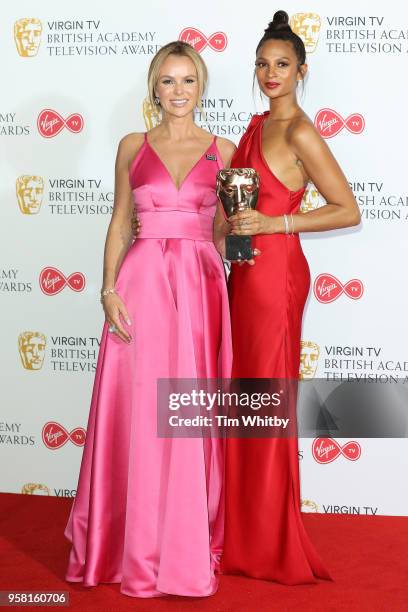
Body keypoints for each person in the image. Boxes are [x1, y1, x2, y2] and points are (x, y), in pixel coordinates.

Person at [64, 41, 235, 598]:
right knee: (138, 410)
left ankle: (184, 543)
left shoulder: (225, 151)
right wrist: (107, 289)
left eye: (188, 80)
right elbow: (119, 222)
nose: (178, 91)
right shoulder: (131, 146)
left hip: (200, 288)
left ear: (201, 86)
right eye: (168, 81)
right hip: (139, 285)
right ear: (153, 88)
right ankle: (126, 544)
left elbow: (225, 230)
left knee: (184, 411)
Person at [215, 11, 360, 584]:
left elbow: (347, 208)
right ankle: (239, 530)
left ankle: (270, 543)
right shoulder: (252, 128)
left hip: (276, 279)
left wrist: (275, 225)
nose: (270, 73)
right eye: (262, 64)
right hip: (243, 276)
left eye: (282, 65)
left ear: (302, 70)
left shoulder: (299, 130)